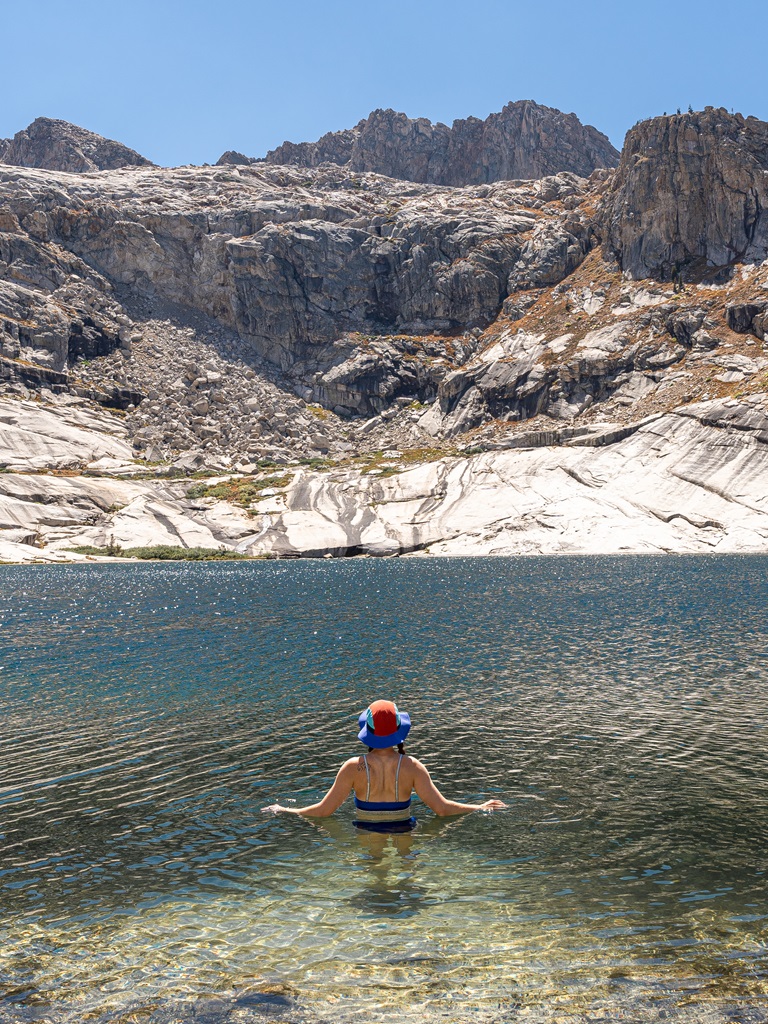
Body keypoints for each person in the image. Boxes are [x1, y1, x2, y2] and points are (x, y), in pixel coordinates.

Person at [262, 700, 507, 828]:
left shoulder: (352, 767)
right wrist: (479, 806)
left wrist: (286, 810)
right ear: (399, 730)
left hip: (366, 835)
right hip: (404, 834)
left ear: (366, 730)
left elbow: (323, 812)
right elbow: (442, 809)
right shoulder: (412, 766)